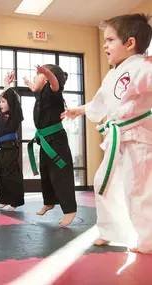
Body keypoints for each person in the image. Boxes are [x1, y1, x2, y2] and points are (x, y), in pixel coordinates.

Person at [62, 13, 152, 253]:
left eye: (110, 40)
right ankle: (112, 231)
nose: (105, 45)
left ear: (130, 43)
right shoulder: (114, 73)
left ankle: (148, 240)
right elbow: (99, 103)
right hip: (117, 139)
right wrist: (79, 110)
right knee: (103, 182)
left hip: (140, 140)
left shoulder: (143, 67)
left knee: (139, 189)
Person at [24, 64, 77, 226]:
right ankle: (49, 201)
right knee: (46, 174)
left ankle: (70, 210)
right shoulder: (41, 95)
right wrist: (29, 84)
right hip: (45, 140)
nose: (34, 77)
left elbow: (55, 85)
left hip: (56, 141)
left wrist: (46, 72)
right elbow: (35, 88)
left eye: (37, 75)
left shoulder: (53, 92)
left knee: (60, 175)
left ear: (46, 79)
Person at [0, 72, 25, 211]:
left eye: (3, 101)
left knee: (10, 175)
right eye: (0, 102)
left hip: (11, 148)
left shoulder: (15, 115)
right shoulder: (2, 116)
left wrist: (7, 86)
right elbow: (6, 98)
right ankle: (4, 199)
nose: (1, 104)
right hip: (2, 148)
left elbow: (13, 101)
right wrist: (4, 87)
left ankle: (15, 201)